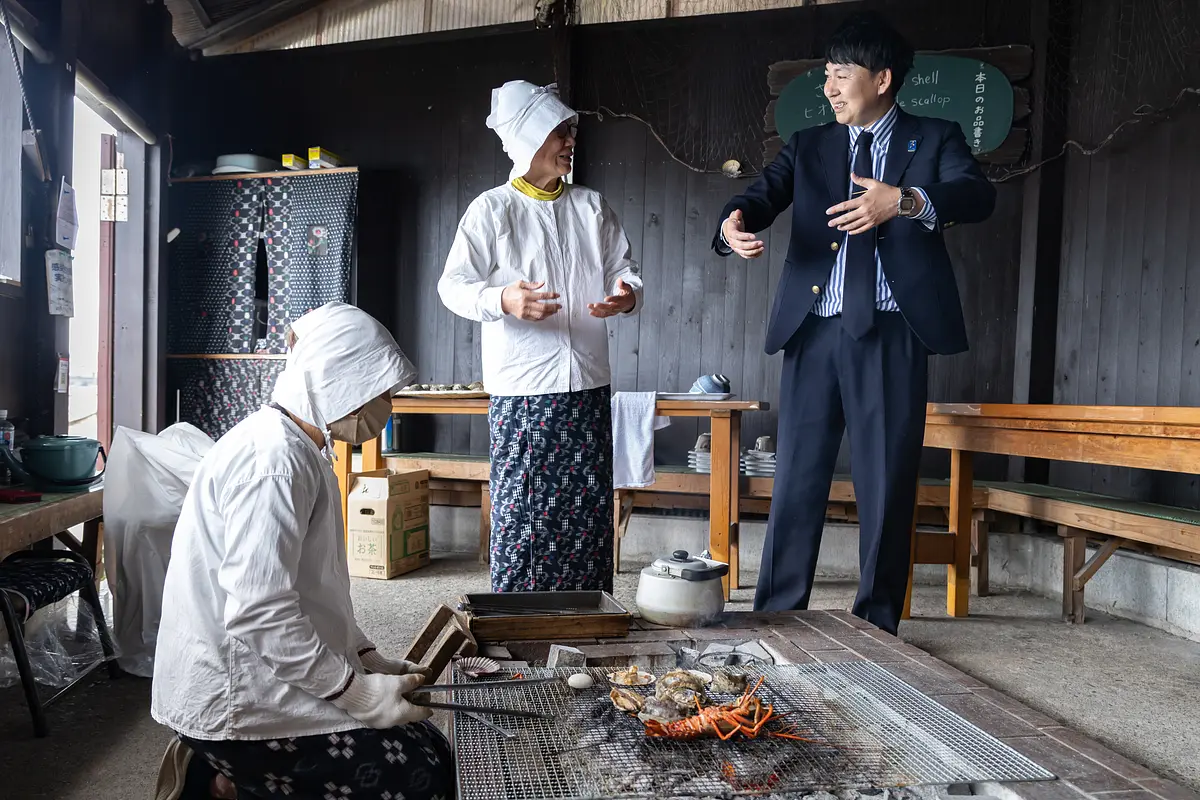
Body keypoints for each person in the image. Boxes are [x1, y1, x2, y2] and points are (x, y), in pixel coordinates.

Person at [713, 13, 995, 634]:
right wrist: (734, 221)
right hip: (814, 332)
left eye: (842, 74)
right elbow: (763, 194)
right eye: (827, 75)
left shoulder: (935, 137)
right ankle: (777, 617)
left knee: (887, 482)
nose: (830, 88)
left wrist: (906, 200)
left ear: (882, 79)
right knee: (796, 478)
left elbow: (977, 195)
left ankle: (876, 626)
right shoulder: (810, 143)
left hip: (893, 332)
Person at [151, 302, 454, 800]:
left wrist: (367, 658)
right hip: (237, 697)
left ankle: (235, 781)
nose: (387, 406)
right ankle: (226, 779)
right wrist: (356, 693)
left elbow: (315, 588)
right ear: (342, 381)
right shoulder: (275, 463)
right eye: (381, 392)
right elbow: (258, 612)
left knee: (428, 742)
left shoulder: (299, 446)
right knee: (421, 778)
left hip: (262, 668)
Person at [438, 80, 643, 594]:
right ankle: (518, 617)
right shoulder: (491, 210)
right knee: (526, 513)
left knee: (588, 509)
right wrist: (502, 300)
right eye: (559, 132)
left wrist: (626, 295)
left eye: (571, 131)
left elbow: (624, 269)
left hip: (588, 384)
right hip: (524, 389)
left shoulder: (591, 206)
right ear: (527, 138)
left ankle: (589, 611)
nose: (570, 141)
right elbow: (452, 286)